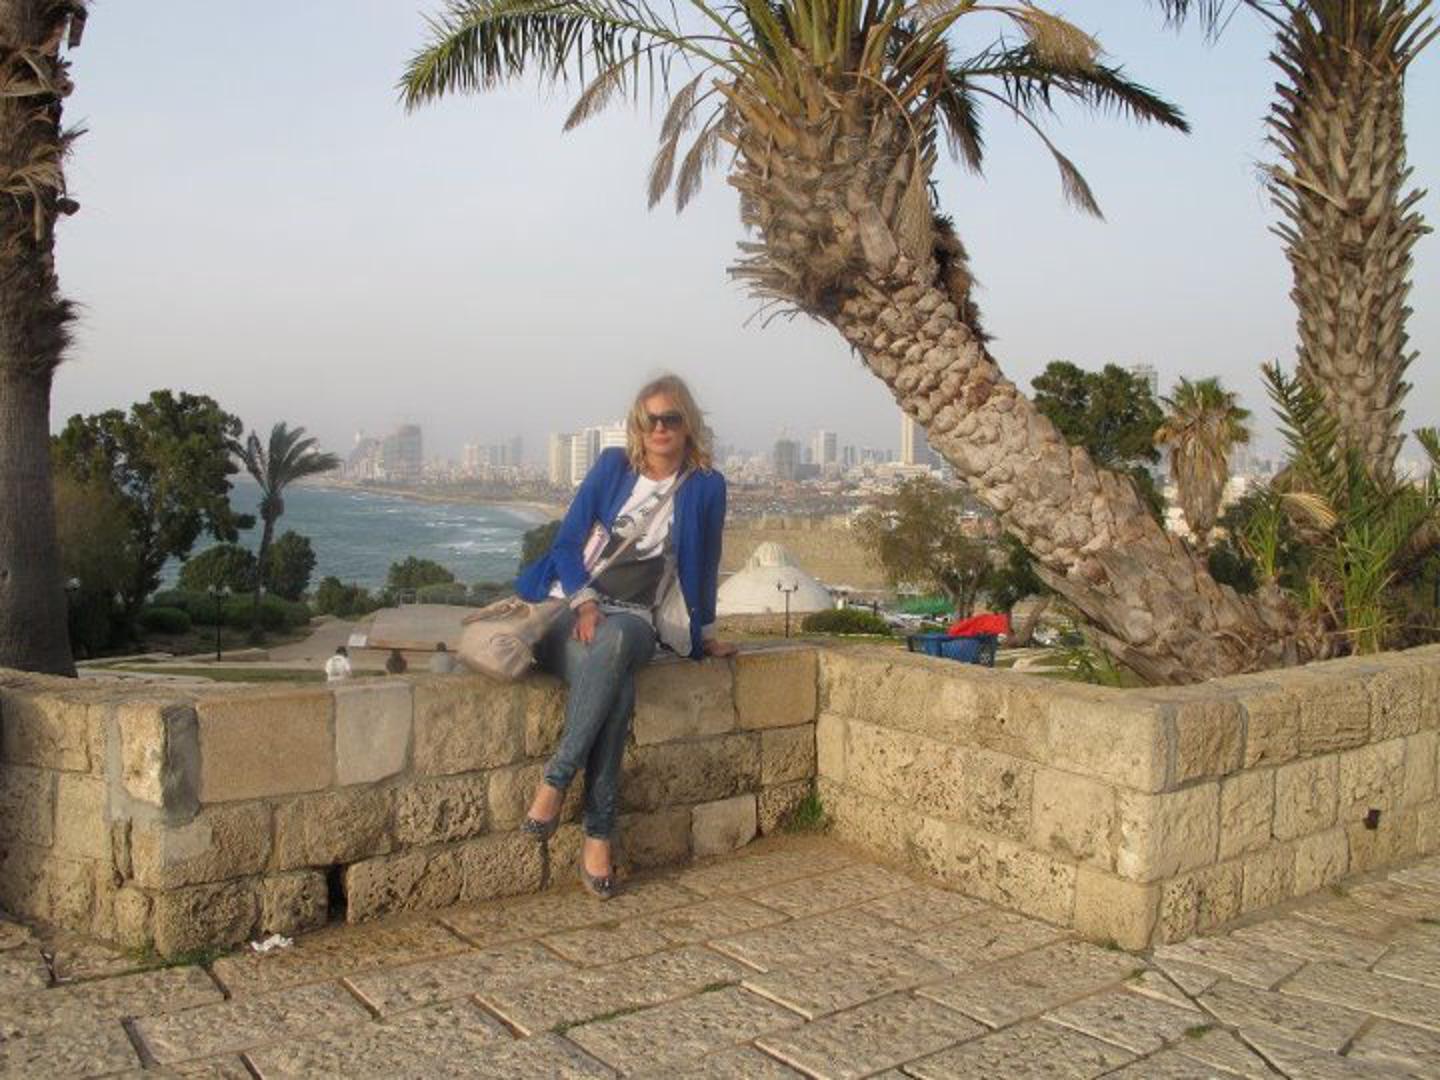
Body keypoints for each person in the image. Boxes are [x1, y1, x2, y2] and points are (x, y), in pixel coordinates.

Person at [514, 374, 735, 899]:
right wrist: (586, 601)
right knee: (616, 692)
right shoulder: (613, 466)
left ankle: (556, 778)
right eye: (649, 419)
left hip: (635, 618)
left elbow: (705, 564)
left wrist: (703, 634)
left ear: (687, 424)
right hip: (572, 606)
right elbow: (566, 544)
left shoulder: (706, 485)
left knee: (614, 646)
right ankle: (598, 835)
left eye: (670, 418)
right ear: (638, 424)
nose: (660, 428)